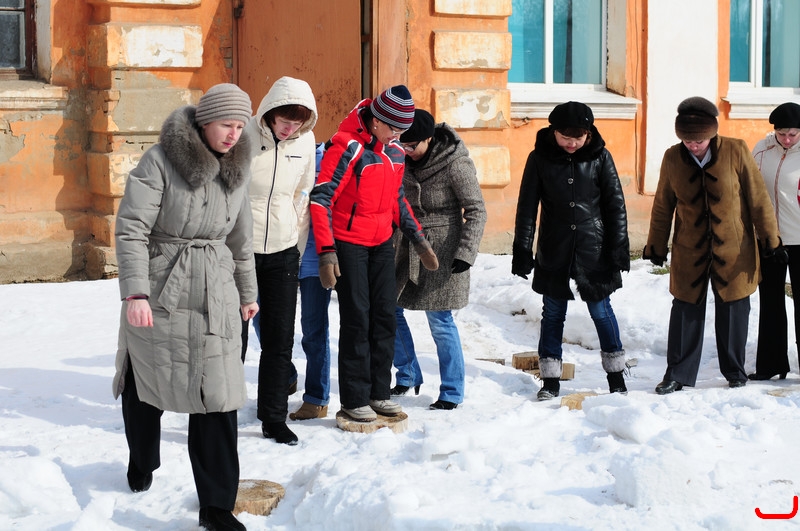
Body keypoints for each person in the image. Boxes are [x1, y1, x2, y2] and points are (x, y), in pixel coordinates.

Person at [113, 83, 257, 531]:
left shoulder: (238, 167)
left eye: (240, 127)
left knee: (218, 395)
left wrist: (248, 293)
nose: (234, 135)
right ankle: (142, 459)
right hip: (163, 289)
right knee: (148, 382)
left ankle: (216, 506)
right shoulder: (160, 161)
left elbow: (241, 239)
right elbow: (131, 228)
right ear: (204, 121)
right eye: (226, 125)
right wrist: (135, 293)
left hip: (216, 291)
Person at [309, 85, 439, 422]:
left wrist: (419, 240)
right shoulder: (346, 146)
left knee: (384, 318)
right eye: (394, 128)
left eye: (402, 131)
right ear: (376, 119)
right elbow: (321, 199)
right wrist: (326, 251)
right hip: (348, 244)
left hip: (381, 243)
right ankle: (354, 399)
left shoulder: (394, 152)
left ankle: (379, 393)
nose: (398, 137)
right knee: (357, 319)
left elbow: (397, 200)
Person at [642, 96, 782, 394]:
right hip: (689, 248)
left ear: (712, 133)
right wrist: (656, 244)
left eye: (700, 140)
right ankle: (677, 373)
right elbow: (663, 204)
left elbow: (758, 198)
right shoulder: (672, 157)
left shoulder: (736, 150)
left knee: (733, 308)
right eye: (688, 141)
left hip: (733, 247)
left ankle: (735, 371)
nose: (694, 146)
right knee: (685, 309)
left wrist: (770, 238)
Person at [512, 101, 630, 401]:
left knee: (601, 310)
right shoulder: (539, 158)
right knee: (552, 313)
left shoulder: (600, 156)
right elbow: (527, 208)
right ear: (554, 131)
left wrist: (618, 247)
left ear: (588, 134)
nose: (572, 143)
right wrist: (522, 249)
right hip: (555, 246)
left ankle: (616, 375)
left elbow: (615, 204)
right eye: (566, 137)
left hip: (594, 247)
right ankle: (550, 380)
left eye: (579, 138)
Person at [391, 109, 487, 410]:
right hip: (406, 246)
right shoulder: (398, 158)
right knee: (388, 310)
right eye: (402, 145)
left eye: (412, 146)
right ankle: (407, 373)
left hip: (443, 250)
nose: (407, 151)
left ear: (428, 139)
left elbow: (477, 210)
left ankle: (452, 391)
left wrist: (466, 253)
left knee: (440, 321)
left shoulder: (455, 163)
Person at [243, 76, 317, 445]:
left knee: (279, 339)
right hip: (239, 253)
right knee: (231, 340)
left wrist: (296, 245)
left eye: (297, 123)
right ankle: (218, 414)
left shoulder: (305, 141)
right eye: (285, 121)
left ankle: (273, 417)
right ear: (270, 113)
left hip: (283, 252)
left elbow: (303, 193)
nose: (290, 130)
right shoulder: (243, 136)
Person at [749, 102, 799, 381]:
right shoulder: (761, 150)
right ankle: (771, 364)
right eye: (782, 134)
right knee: (770, 303)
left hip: (799, 239)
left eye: (793, 134)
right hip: (768, 239)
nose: (787, 140)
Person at [290, 141, 334, 421]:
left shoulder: (327, 159)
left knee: (313, 329)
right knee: (263, 320)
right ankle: (286, 375)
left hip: (316, 258)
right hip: (279, 253)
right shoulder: (272, 152)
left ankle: (317, 398)